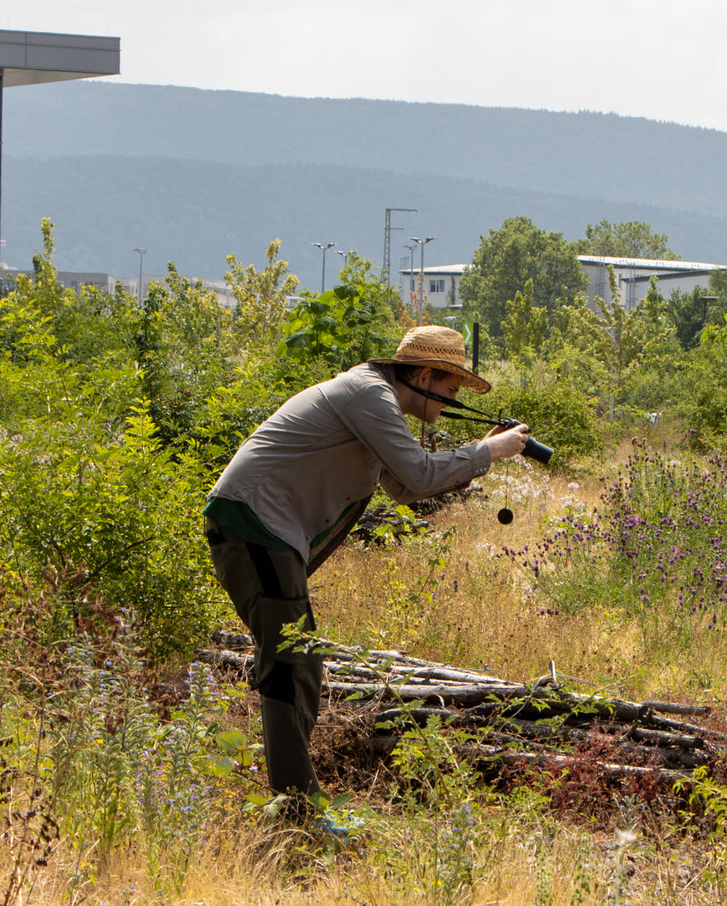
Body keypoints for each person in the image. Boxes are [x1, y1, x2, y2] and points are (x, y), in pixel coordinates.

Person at [204, 325, 530, 807]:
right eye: (451, 389)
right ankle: (297, 805)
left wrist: (479, 454)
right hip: (255, 523)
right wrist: (487, 451)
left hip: (267, 531)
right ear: (422, 374)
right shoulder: (369, 393)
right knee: (291, 664)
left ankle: (293, 793)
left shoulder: (376, 400)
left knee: (301, 661)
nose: (452, 401)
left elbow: (403, 486)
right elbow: (417, 475)